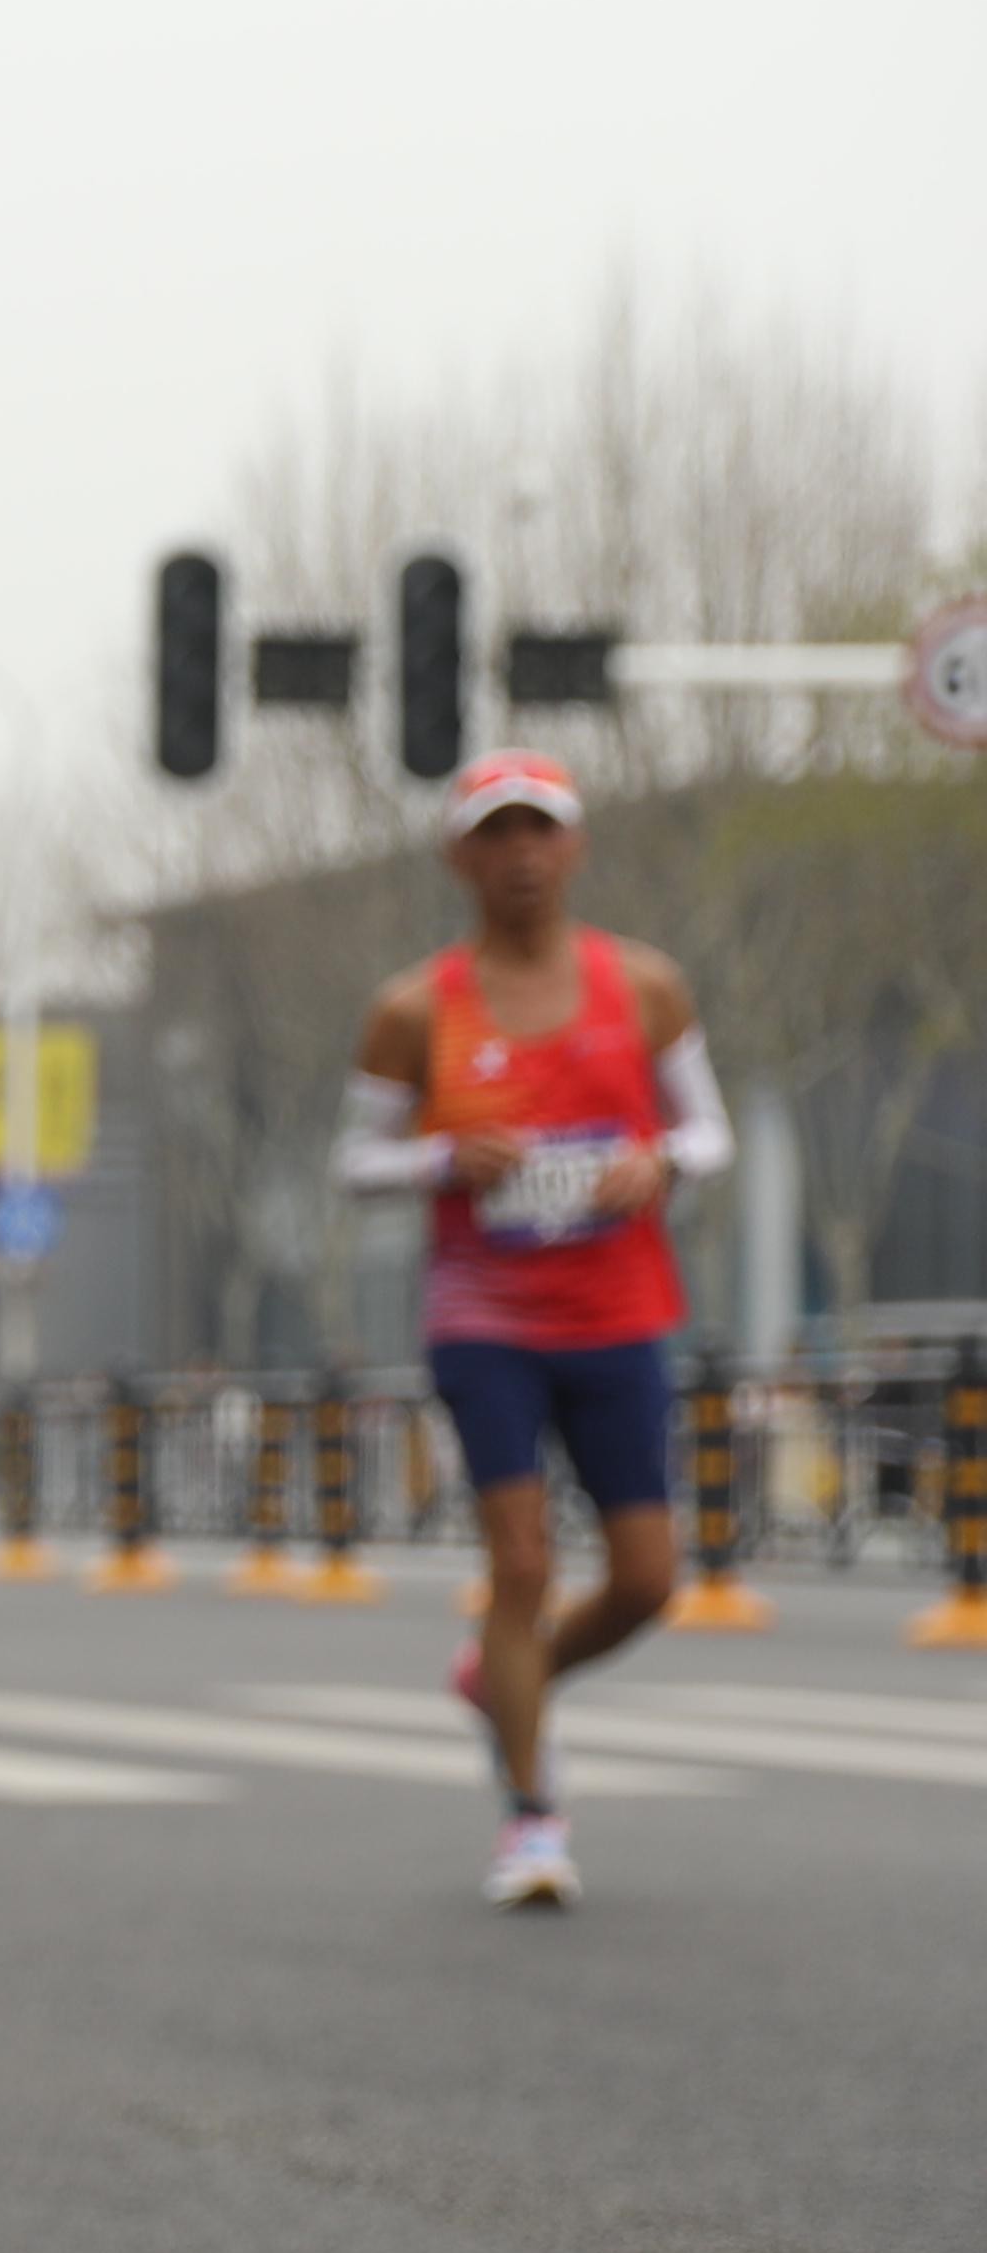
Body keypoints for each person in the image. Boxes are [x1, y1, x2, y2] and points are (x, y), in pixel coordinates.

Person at [339, 751, 728, 1910]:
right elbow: (350, 1161)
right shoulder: (417, 1007)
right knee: (520, 1561)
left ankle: (507, 1681)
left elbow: (712, 1132)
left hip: (618, 1314)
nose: (519, 856)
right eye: (495, 835)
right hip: (486, 1321)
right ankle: (532, 1817)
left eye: (539, 832)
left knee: (650, 1580)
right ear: (460, 856)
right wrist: (441, 1157)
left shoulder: (643, 984)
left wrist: (656, 1159)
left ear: (574, 847)